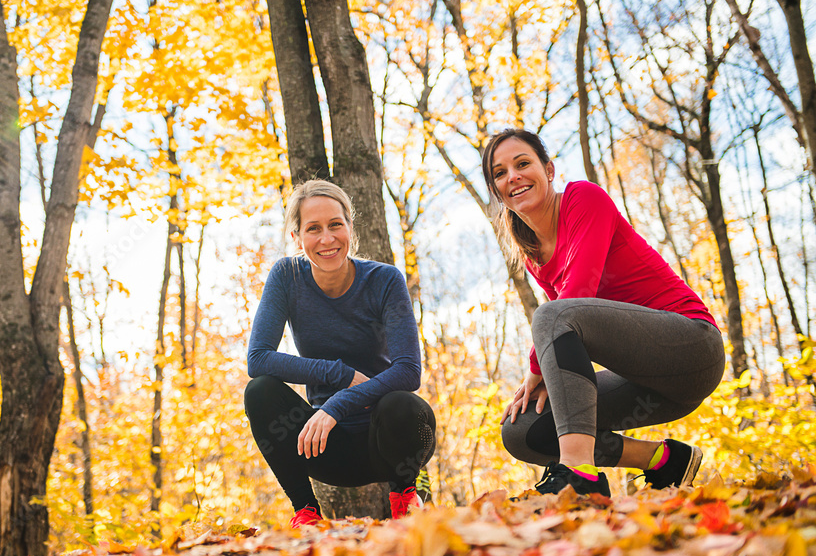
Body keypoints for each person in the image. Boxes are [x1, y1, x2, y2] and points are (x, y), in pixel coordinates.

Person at [484, 129, 726, 497]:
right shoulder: (534, 257)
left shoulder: (584, 198)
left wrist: (537, 368)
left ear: (548, 170)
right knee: (522, 428)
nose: (512, 177)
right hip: (646, 384)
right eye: (500, 173)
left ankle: (580, 476)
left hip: (693, 349)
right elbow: (570, 326)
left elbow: (577, 295)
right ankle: (665, 460)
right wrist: (545, 375)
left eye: (522, 164)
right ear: (497, 190)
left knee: (550, 315)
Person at [244, 180, 436, 528]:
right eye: (313, 229)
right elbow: (258, 359)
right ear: (296, 237)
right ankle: (306, 513)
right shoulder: (286, 277)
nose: (327, 238)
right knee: (260, 391)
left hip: (389, 443)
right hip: (326, 449)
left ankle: (407, 497)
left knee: (402, 403)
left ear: (350, 227)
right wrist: (340, 374)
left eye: (336, 224)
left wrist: (337, 404)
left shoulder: (384, 280)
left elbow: (409, 371)